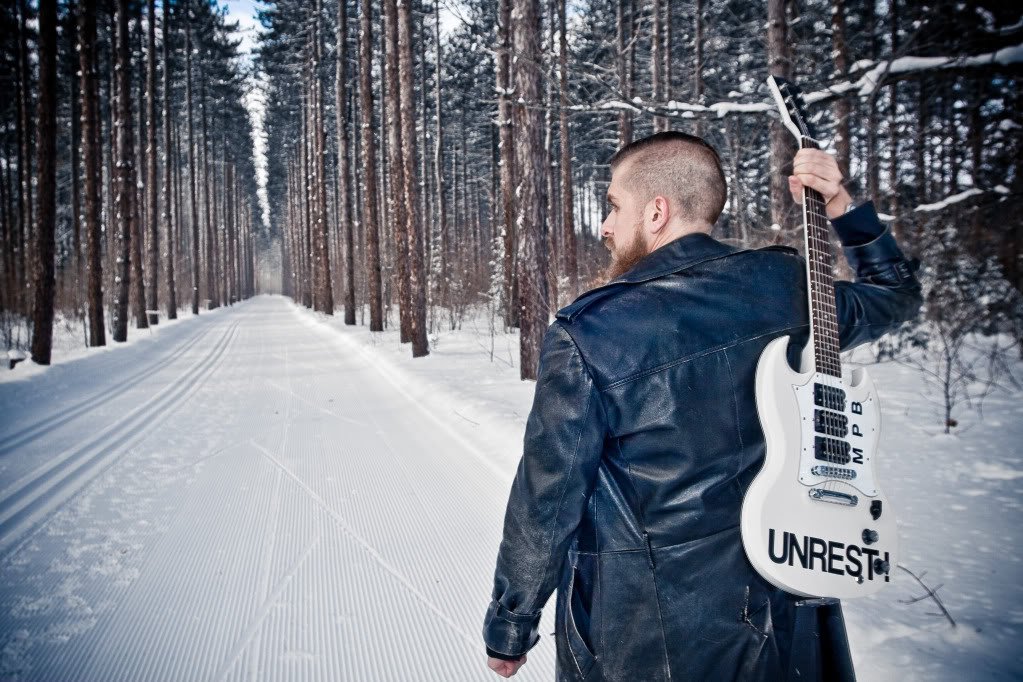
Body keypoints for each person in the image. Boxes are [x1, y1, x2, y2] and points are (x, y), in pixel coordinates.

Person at [482, 131, 922, 681]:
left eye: (614, 206)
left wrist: (511, 624)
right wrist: (841, 204)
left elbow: (547, 499)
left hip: (652, 637)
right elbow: (896, 295)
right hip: (789, 614)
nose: (606, 226)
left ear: (656, 212)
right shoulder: (789, 288)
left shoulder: (591, 333)